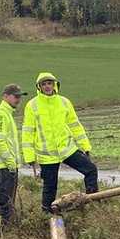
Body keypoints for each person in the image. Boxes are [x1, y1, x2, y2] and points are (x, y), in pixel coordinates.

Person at [22, 71, 98, 213]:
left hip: (66, 149)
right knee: (50, 187)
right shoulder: (32, 105)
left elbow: (75, 125)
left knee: (91, 170)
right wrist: (29, 157)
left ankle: (92, 203)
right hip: (47, 155)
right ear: (39, 87)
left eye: (49, 83)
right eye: (43, 84)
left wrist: (85, 146)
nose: (47, 86)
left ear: (55, 85)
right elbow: (28, 132)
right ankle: (47, 216)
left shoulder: (64, 102)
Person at [0, 83, 25, 223]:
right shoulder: (1, 114)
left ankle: (1, 229)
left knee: (6, 204)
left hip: (6, 167)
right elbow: (0, 141)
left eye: (19, 97)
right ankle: (0, 230)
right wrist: (10, 163)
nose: (18, 100)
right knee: (5, 205)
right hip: (3, 168)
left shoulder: (7, 114)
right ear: (5, 96)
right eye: (15, 96)